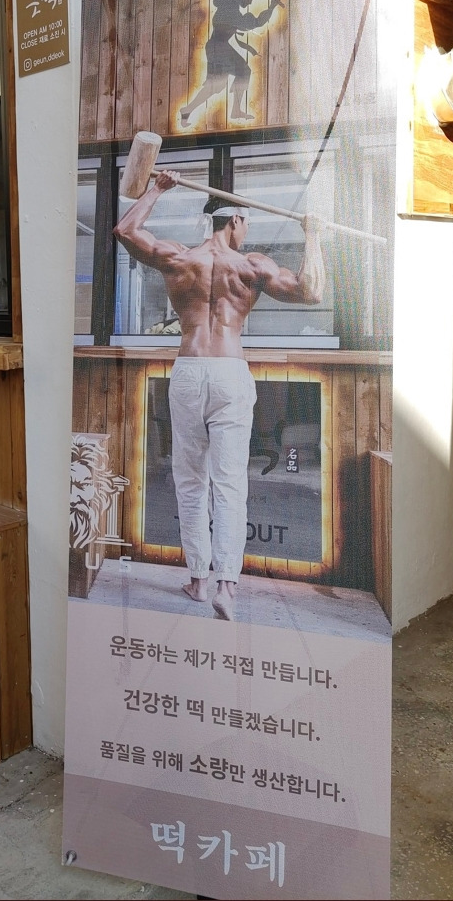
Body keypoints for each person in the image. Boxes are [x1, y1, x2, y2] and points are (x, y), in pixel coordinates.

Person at [113, 171, 324, 621]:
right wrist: (314, 234)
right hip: (229, 372)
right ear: (236, 222)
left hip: (189, 371)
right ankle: (226, 586)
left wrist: (157, 189)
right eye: (245, 225)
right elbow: (312, 291)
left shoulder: (179, 257)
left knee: (191, 482)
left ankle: (197, 579)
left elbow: (125, 231)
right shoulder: (252, 265)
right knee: (229, 484)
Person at [179, 0, 283, 125]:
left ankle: (228, 109)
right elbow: (256, 22)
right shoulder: (230, 7)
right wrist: (271, 7)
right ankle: (190, 110)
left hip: (220, 48)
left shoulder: (229, 6)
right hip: (218, 49)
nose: (251, 2)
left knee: (232, 77)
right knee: (220, 83)